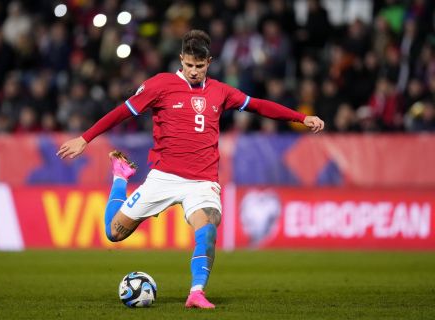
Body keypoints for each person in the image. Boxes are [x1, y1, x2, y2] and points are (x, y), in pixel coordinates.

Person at [56, 30, 324, 309]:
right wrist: (85, 138)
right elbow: (121, 112)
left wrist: (301, 118)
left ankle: (196, 292)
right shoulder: (160, 85)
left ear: (209, 62)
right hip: (163, 176)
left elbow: (258, 105)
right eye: (189, 65)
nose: (194, 71)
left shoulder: (221, 91)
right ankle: (120, 177)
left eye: (199, 66)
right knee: (114, 233)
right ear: (181, 59)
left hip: (202, 181)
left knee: (207, 230)